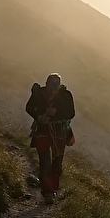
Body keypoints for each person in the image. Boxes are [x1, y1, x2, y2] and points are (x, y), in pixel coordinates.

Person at [25, 73, 76, 202]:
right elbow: (29, 108)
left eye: (55, 87)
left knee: (57, 162)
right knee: (45, 160)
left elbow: (71, 113)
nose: (53, 90)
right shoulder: (39, 94)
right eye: (51, 86)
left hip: (59, 132)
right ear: (47, 84)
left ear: (59, 86)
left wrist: (56, 113)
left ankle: (52, 188)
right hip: (43, 131)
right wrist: (39, 117)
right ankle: (48, 192)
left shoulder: (65, 96)